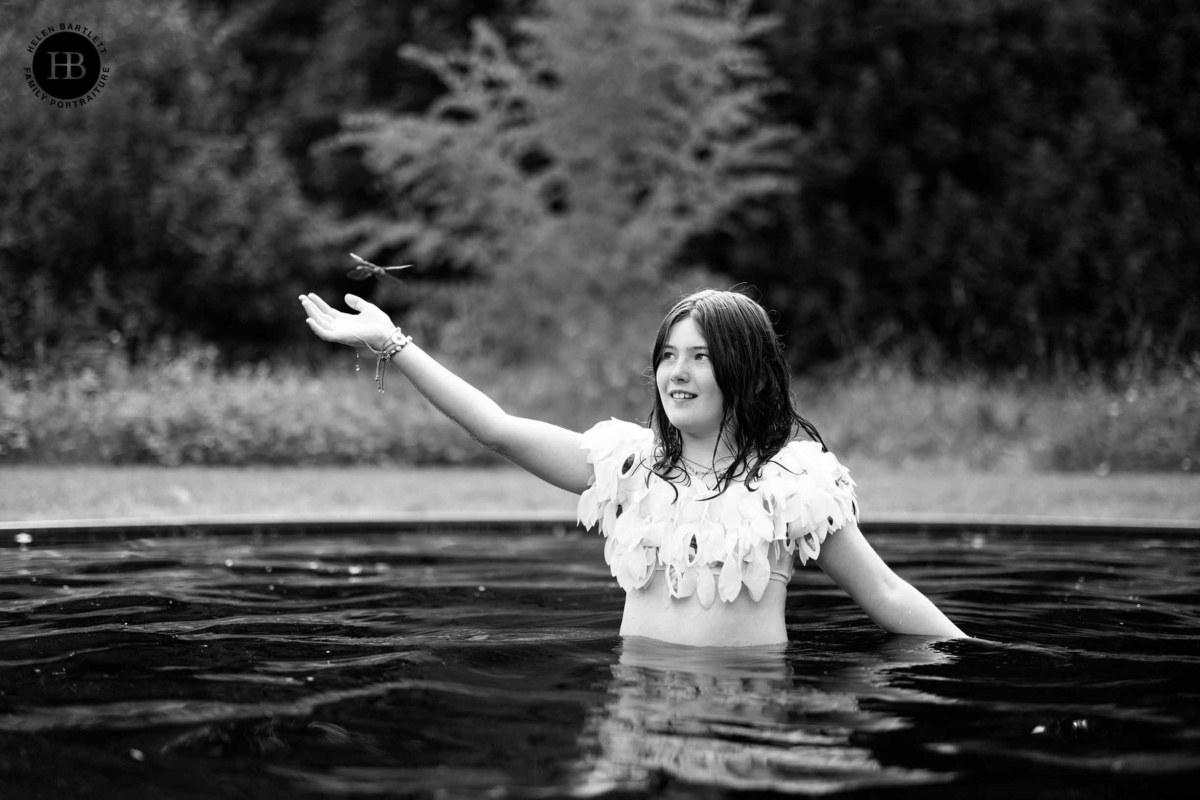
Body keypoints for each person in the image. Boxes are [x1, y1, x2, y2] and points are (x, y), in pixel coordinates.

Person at [298, 287, 966, 647]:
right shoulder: (628, 467)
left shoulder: (794, 487)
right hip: (637, 707)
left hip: (748, 716)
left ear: (748, 373)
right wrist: (393, 344)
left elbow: (886, 596)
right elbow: (496, 429)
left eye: (700, 355)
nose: (678, 370)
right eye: (669, 354)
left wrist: (971, 660)